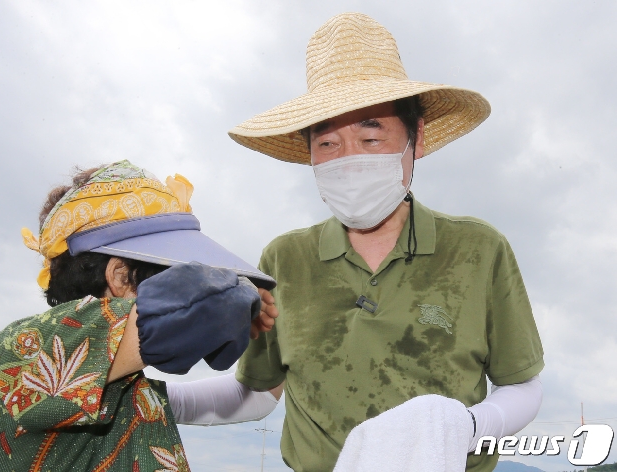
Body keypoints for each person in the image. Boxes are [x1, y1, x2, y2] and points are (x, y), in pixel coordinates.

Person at [229, 13, 544, 472]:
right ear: (310, 155)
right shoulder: (284, 258)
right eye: (329, 144)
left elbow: (523, 386)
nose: (349, 159)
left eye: (371, 135)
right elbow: (259, 393)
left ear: (413, 140)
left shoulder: (479, 248)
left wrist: (465, 427)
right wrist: (147, 390)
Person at [0, 160, 280, 471]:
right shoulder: (26, 348)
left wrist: (291, 331)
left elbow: (255, 399)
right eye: (176, 271)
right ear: (120, 277)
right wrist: (243, 291)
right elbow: (191, 307)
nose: (194, 277)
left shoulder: (122, 389)